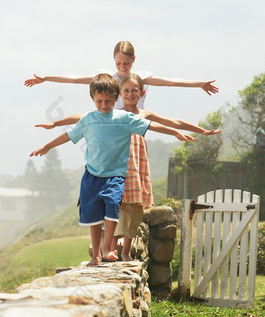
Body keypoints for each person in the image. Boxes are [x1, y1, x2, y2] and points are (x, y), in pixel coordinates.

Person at [35, 73, 221, 261]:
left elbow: (161, 120)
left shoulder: (130, 117)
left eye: (109, 101)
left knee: (120, 207)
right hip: (99, 172)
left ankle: (114, 249)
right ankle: (101, 253)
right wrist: (49, 141)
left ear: (121, 97)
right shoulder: (94, 117)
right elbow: (72, 126)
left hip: (123, 170)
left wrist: (182, 132)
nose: (104, 104)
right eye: (99, 101)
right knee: (101, 211)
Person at [24, 40, 219, 108]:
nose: (123, 67)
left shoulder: (141, 78)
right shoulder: (108, 77)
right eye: (118, 63)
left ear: (134, 59)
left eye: (126, 63)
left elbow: (171, 82)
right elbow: (75, 79)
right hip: (112, 124)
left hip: (134, 123)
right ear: (114, 61)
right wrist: (46, 78)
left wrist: (199, 83)